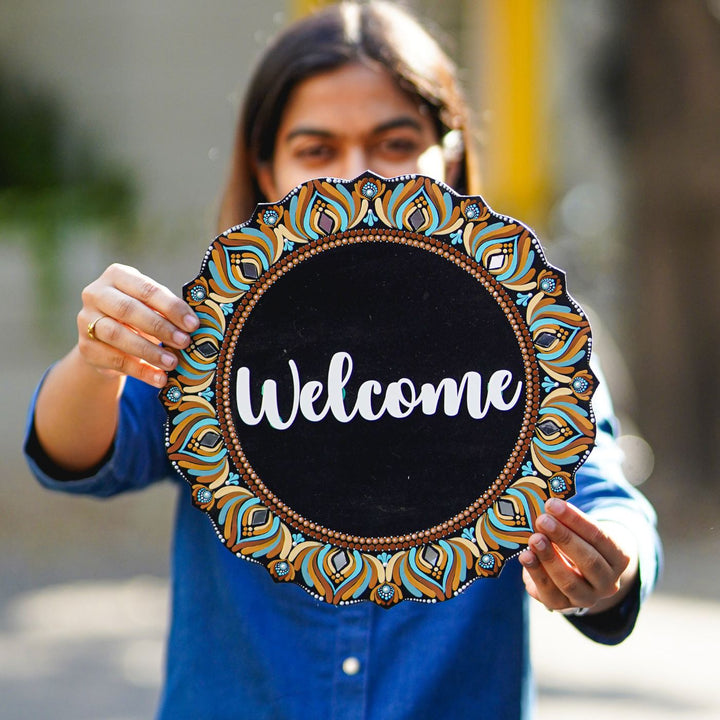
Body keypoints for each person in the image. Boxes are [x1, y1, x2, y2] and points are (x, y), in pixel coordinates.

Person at [24, 2, 661, 718]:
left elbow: (604, 495)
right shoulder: (218, 336)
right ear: (266, 170)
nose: (357, 178)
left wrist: (610, 569)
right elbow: (78, 457)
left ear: (447, 155)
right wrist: (96, 359)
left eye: (394, 143)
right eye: (317, 150)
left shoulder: (523, 332)